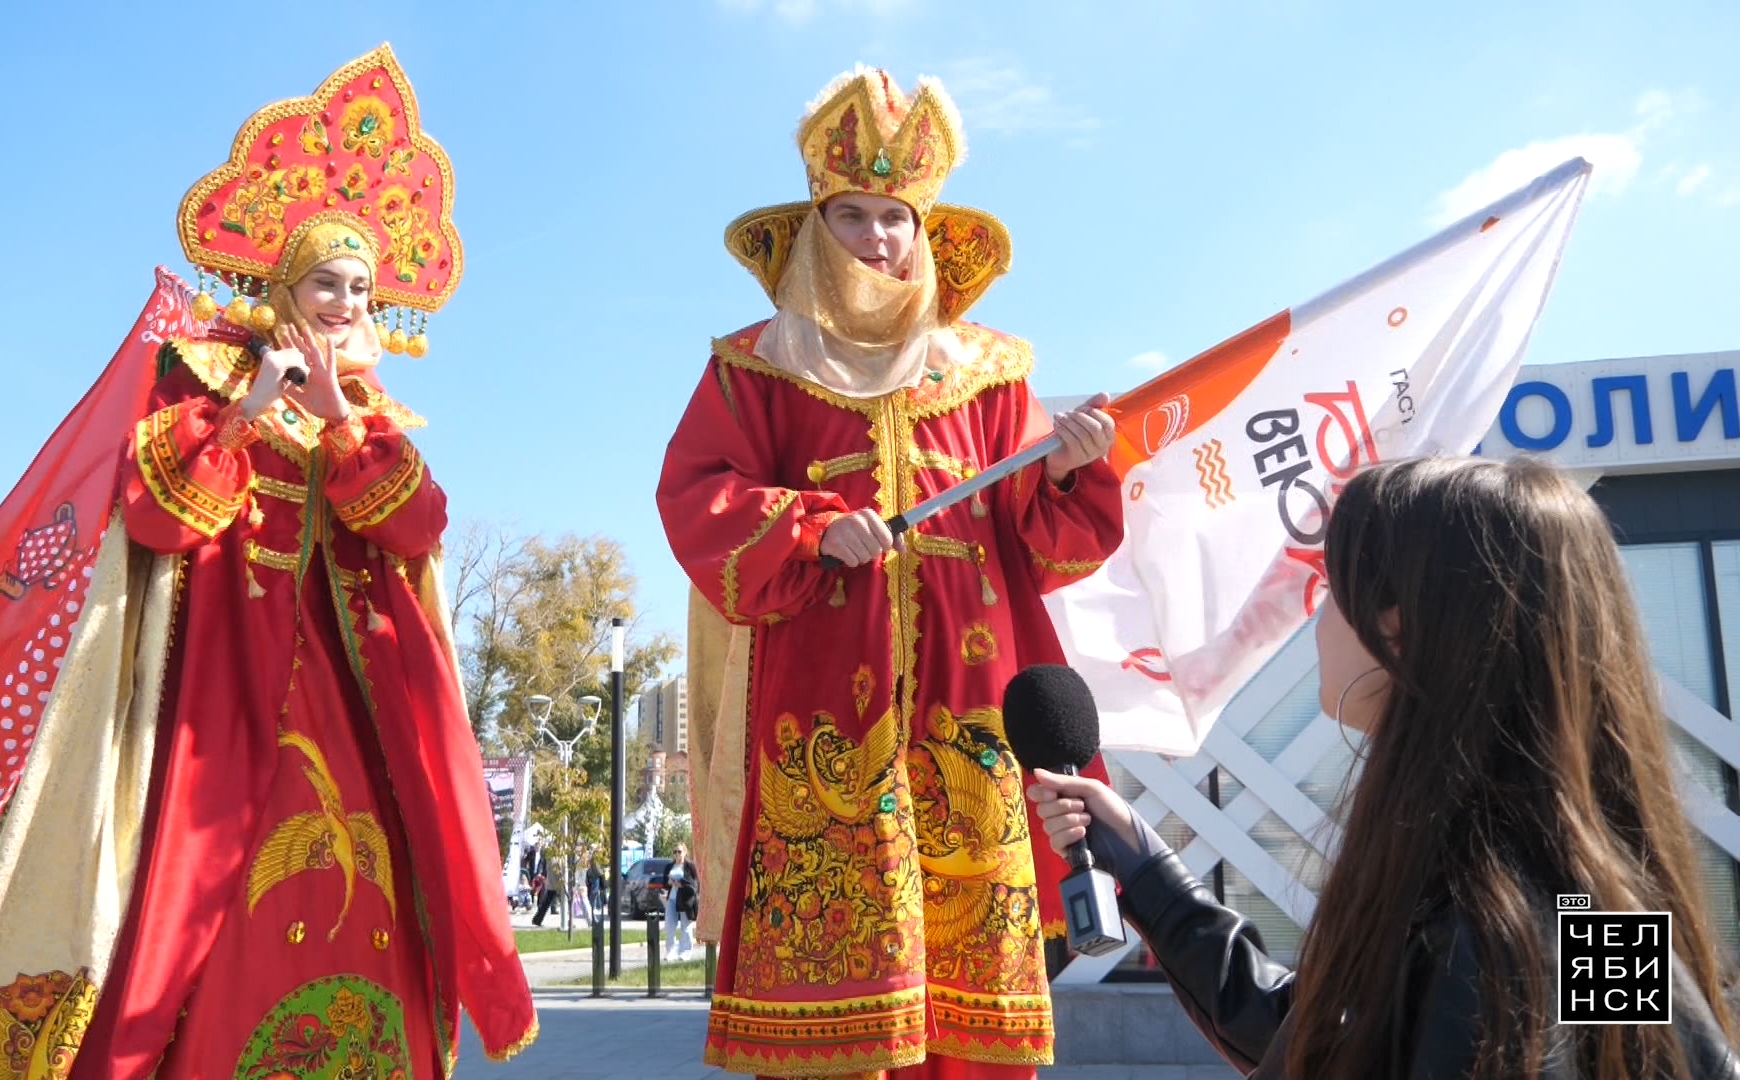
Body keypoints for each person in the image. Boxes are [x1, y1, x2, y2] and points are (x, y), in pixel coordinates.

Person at [0, 47, 537, 1079]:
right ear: (280, 283)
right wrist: (250, 414)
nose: (346, 305)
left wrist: (342, 428)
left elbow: (418, 527)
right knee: (204, 902)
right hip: (219, 698)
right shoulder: (204, 372)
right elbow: (161, 517)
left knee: (368, 880)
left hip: (359, 709)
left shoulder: (380, 415)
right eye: (326, 283)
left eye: (362, 289)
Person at [658, 65, 1126, 1078]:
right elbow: (697, 498)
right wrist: (809, 529)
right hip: (821, 730)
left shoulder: (991, 372)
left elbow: (1050, 550)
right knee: (838, 1010)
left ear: (927, 234)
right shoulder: (755, 366)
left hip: (973, 719)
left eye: (898, 219)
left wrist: (1071, 470)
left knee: (975, 1022)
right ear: (816, 228)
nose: (878, 239)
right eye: (854, 216)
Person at [1029, 456, 1740, 1079]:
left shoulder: (1491, 933)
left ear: (1401, 625)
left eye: (1334, 588)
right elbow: (1319, 1039)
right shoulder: (1588, 902)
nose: (1320, 615)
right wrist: (1150, 872)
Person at [664, 845, 698, 962]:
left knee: (686, 926)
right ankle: (671, 951)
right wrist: (669, 882)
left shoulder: (689, 866)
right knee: (669, 926)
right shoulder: (670, 866)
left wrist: (681, 884)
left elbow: (694, 884)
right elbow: (664, 882)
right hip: (672, 899)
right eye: (675, 852)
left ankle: (685, 952)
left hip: (684, 899)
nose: (677, 854)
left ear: (684, 852)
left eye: (679, 852)